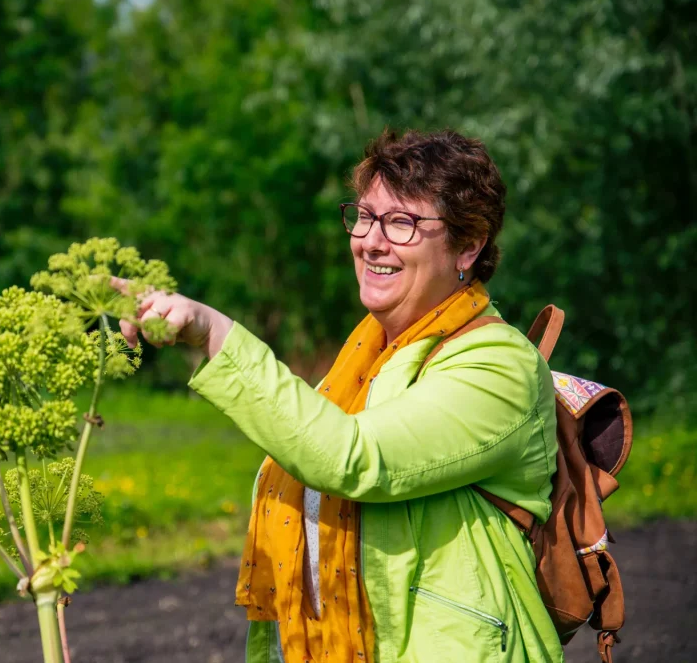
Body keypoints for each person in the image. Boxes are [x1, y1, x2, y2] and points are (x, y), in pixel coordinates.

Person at [116, 129, 562, 662]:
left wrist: (215, 335)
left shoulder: (500, 366)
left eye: (403, 223)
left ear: (469, 245)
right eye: (367, 216)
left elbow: (351, 457)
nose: (372, 240)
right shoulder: (366, 358)